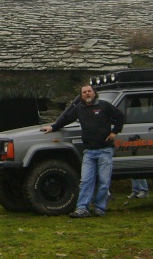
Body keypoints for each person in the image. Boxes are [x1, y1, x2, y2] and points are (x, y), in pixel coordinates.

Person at [41, 84, 125, 218]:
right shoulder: (79, 108)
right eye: (84, 92)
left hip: (105, 150)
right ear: (81, 95)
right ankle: (82, 208)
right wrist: (53, 127)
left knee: (104, 182)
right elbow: (66, 119)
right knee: (86, 181)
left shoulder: (104, 106)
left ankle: (99, 208)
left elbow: (120, 117)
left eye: (89, 91)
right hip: (89, 151)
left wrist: (115, 131)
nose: (87, 94)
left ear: (94, 93)